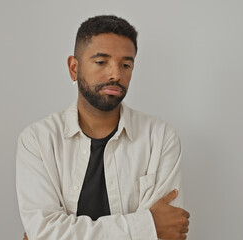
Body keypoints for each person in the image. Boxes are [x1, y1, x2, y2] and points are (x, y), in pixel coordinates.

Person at [16, 15, 190, 240]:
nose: (116, 74)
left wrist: (59, 232)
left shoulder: (160, 137)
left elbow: (168, 232)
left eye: (126, 64)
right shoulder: (38, 140)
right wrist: (146, 226)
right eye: (101, 62)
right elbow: (46, 232)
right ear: (73, 68)